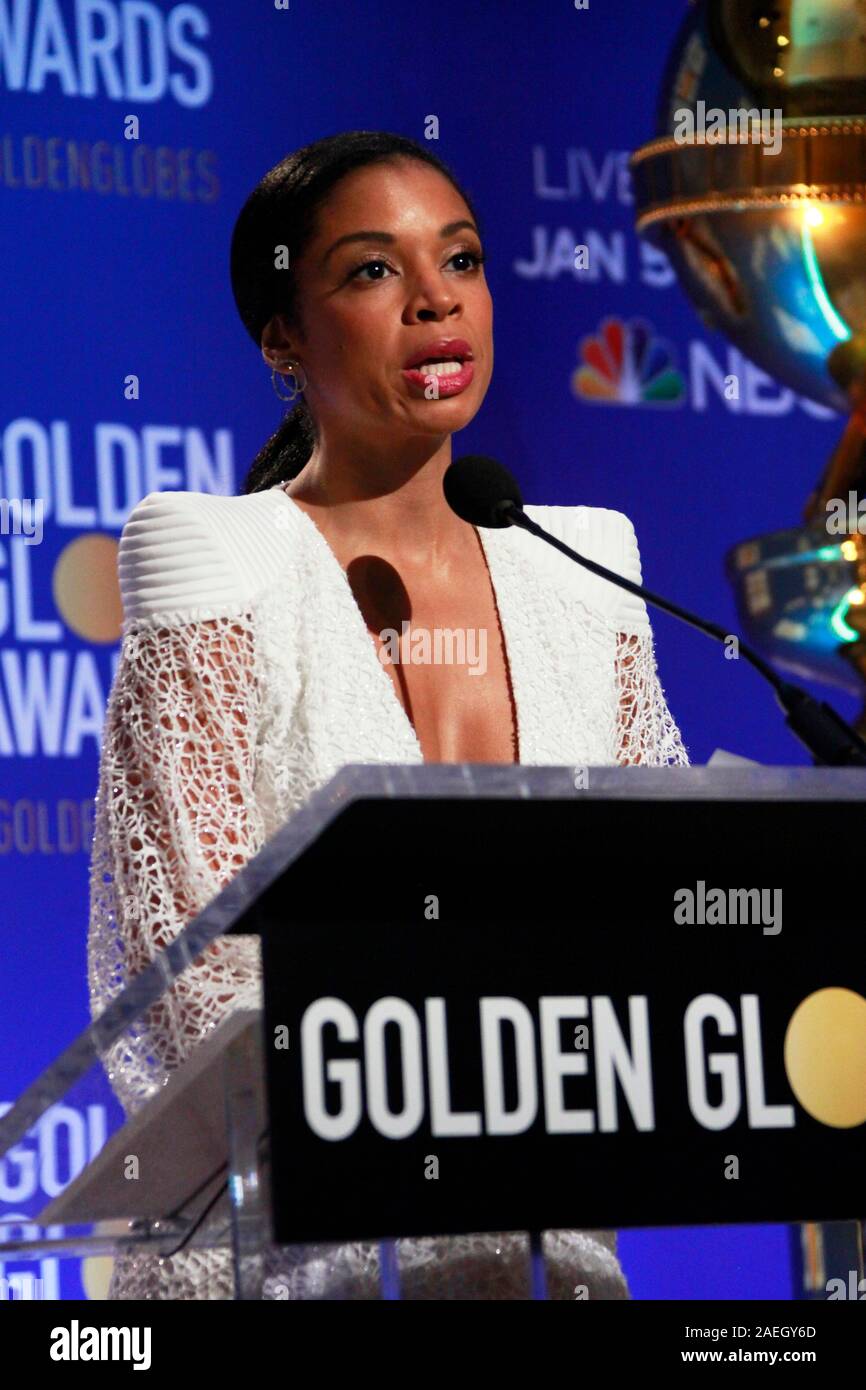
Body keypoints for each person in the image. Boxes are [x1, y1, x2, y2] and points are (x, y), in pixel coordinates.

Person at [87, 130, 689, 1300]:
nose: (432, 302)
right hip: (293, 1262)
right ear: (280, 335)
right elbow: (194, 979)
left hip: (538, 1260)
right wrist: (533, 1046)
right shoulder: (214, 556)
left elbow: (669, 918)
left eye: (458, 260)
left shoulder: (587, 570)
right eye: (371, 271)